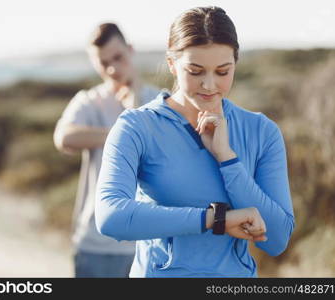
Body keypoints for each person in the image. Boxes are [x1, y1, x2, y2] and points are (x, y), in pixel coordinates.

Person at [95, 6, 295, 277]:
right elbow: (110, 217)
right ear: (171, 64)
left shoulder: (261, 131)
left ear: (235, 63)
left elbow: (277, 239)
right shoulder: (136, 127)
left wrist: (228, 160)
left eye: (223, 72)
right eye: (195, 71)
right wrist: (216, 220)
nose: (209, 85)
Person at [53, 23, 159, 278]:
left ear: (131, 50)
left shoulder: (159, 101)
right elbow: (64, 138)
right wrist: (122, 131)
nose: (112, 68)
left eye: (118, 57)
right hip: (96, 245)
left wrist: (133, 106)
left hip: (151, 242)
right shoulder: (89, 101)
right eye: (103, 62)